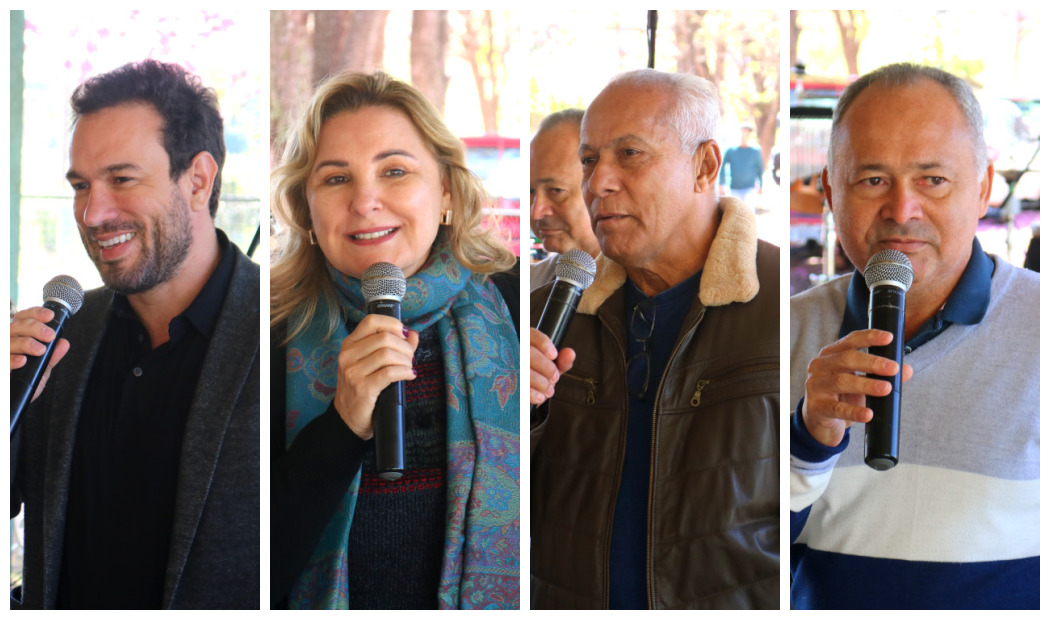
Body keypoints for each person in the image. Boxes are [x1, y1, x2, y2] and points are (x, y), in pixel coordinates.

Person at [9, 60, 259, 609]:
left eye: (122, 179)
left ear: (198, 180)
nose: (93, 213)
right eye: (81, 185)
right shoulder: (59, 338)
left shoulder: (281, 332)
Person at [789, 63, 1039, 610]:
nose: (902, 211)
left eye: (933, 179)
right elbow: (734, 561)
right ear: (831, 191)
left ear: (984, 188)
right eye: (873, 180)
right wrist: (805, 444)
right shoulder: (779, 335)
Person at [529, 69, 779, 610]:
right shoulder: (544, 309)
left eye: (630, 154)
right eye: (590, 160)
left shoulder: (786, 309)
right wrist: (509, 413)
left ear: (705, 166)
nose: (597, 184)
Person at [269, 71, 520, 610]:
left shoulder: (519, 312)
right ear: (306, 209)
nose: (365, 201)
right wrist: (339, 427)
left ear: (447, 192)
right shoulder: (264, 337)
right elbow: (241, 568)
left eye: (396, 171)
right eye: (336, 179)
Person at [529, 108, 600, 288]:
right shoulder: (528, 288)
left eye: (556, 191)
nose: (536, 212)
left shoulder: (646, 289)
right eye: (530, 191)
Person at [718, 125, 764, 207]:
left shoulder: (755, 151)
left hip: (749, 187)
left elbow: (759, 169)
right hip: (734, 188)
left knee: (749, 211)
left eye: (746, 134)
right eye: (742, 133)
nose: (744, 136)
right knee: (736, 211)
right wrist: (721, 184)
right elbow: (722, 166)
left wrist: (760, 185)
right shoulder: (731, 150)